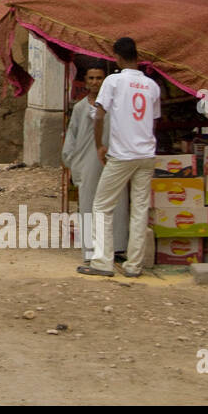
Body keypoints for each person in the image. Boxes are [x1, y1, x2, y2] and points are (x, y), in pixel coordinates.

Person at [78, 37, 160, 278]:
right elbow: (153, 122)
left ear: (117, 56)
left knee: (102, 205)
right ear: (137, 56)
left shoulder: (113, 81)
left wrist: (99, 145)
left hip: (122, 154)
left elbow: (99, 116)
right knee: (139, 209)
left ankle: (102, 261)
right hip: (146, 154)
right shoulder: (152, 86)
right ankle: (134, 265)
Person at [62, 66, 129, 264]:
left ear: (105, 80)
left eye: (99, 78)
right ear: (85, 80)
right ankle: (90, 250)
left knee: (117, 202)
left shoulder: (115, 106)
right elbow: (72, 136)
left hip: (111, 160)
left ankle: (116, 247)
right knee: (88, 205)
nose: (95, 82)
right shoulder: (81, 108)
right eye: (91, 78)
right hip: (86, 162)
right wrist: (70, 161)